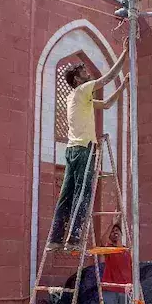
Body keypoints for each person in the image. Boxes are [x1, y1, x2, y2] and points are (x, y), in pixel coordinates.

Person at [48, 38, 130, 250]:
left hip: (72, 149)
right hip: (84, 149)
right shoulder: (83, 90)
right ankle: (74, 239)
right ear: (77, 79)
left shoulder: (75, 97)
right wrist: (125, 52)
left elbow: (107, 104)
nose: (88, 74)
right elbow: (108, 77)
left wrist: (122, 87)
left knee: (67, 194)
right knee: (82, 194)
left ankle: (55, 239)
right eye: (84, 72)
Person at [101, 223, 132, 304]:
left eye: (117, 230)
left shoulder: (127, 250)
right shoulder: (109, 249)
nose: (115, 232)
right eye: (112, 231)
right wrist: (111, 223)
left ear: (121, 233)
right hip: (110, 289)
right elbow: (103, 240)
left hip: (125, 289)